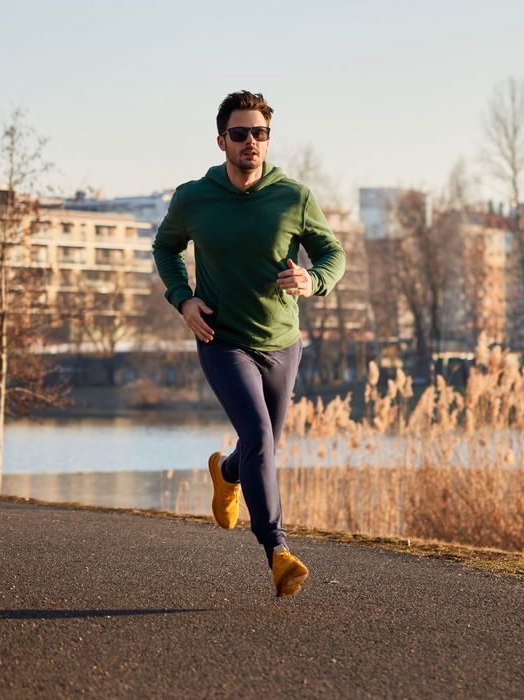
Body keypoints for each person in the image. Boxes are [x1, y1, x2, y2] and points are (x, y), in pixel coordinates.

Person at [152, 90, 346, 597]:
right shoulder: (193, 197)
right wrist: (183, 299)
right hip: (222, 337)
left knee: (262, 446)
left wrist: (314, 280)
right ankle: (278, 550)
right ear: (222, 141)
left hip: (283, 341)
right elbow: (165, 246)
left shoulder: (294, 197)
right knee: (260, 434)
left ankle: (226, 471)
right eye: (240, 134)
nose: (251, 143)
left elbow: (332, 251)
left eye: (259, 133)